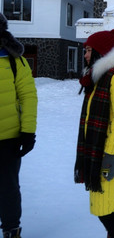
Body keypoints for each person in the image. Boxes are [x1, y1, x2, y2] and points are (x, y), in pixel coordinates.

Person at [75, 28, 114, 238]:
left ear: (101, 52)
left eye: (89, 50)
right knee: (112, 208)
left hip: (113, 153)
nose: (85, 55)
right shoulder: (99, 78)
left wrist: (109, 155)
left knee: (110, 213)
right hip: (101, 151)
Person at [0, 13, 37, 238]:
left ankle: (11, 229)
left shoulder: (15, 60)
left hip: (9, 139)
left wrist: (28, 132)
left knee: (8, 189)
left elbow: (28, 97)